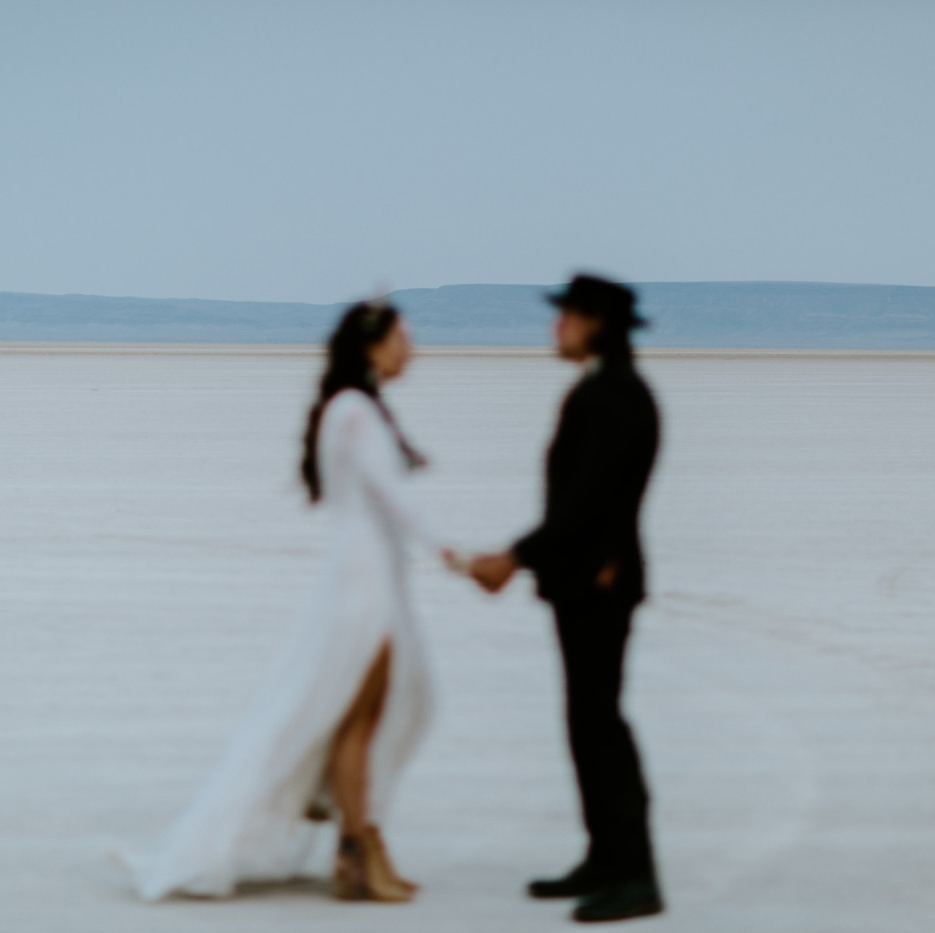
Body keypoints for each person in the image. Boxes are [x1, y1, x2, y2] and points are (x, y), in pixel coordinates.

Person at [119, 300, 451, 903]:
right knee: (359, 718)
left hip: (369, 571)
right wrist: (452, 552)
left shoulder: (352, 407)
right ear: (372, 345)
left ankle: (363, 848)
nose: (412, 349)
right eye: (404, 337)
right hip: (366, 578)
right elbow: (388, 494)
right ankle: (359, 853)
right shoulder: (353, 410)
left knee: (363, 717)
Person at [469, 274, 664, 923]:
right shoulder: (608, 388)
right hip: (585, 580)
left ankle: (634, 872)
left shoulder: (615, 395)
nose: (556, 328)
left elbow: (588, 504)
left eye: (567, 317)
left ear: (596, 323)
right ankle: (606, 856)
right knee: (588, 722)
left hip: (599, 583)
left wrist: (514, 557)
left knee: (600, 725)